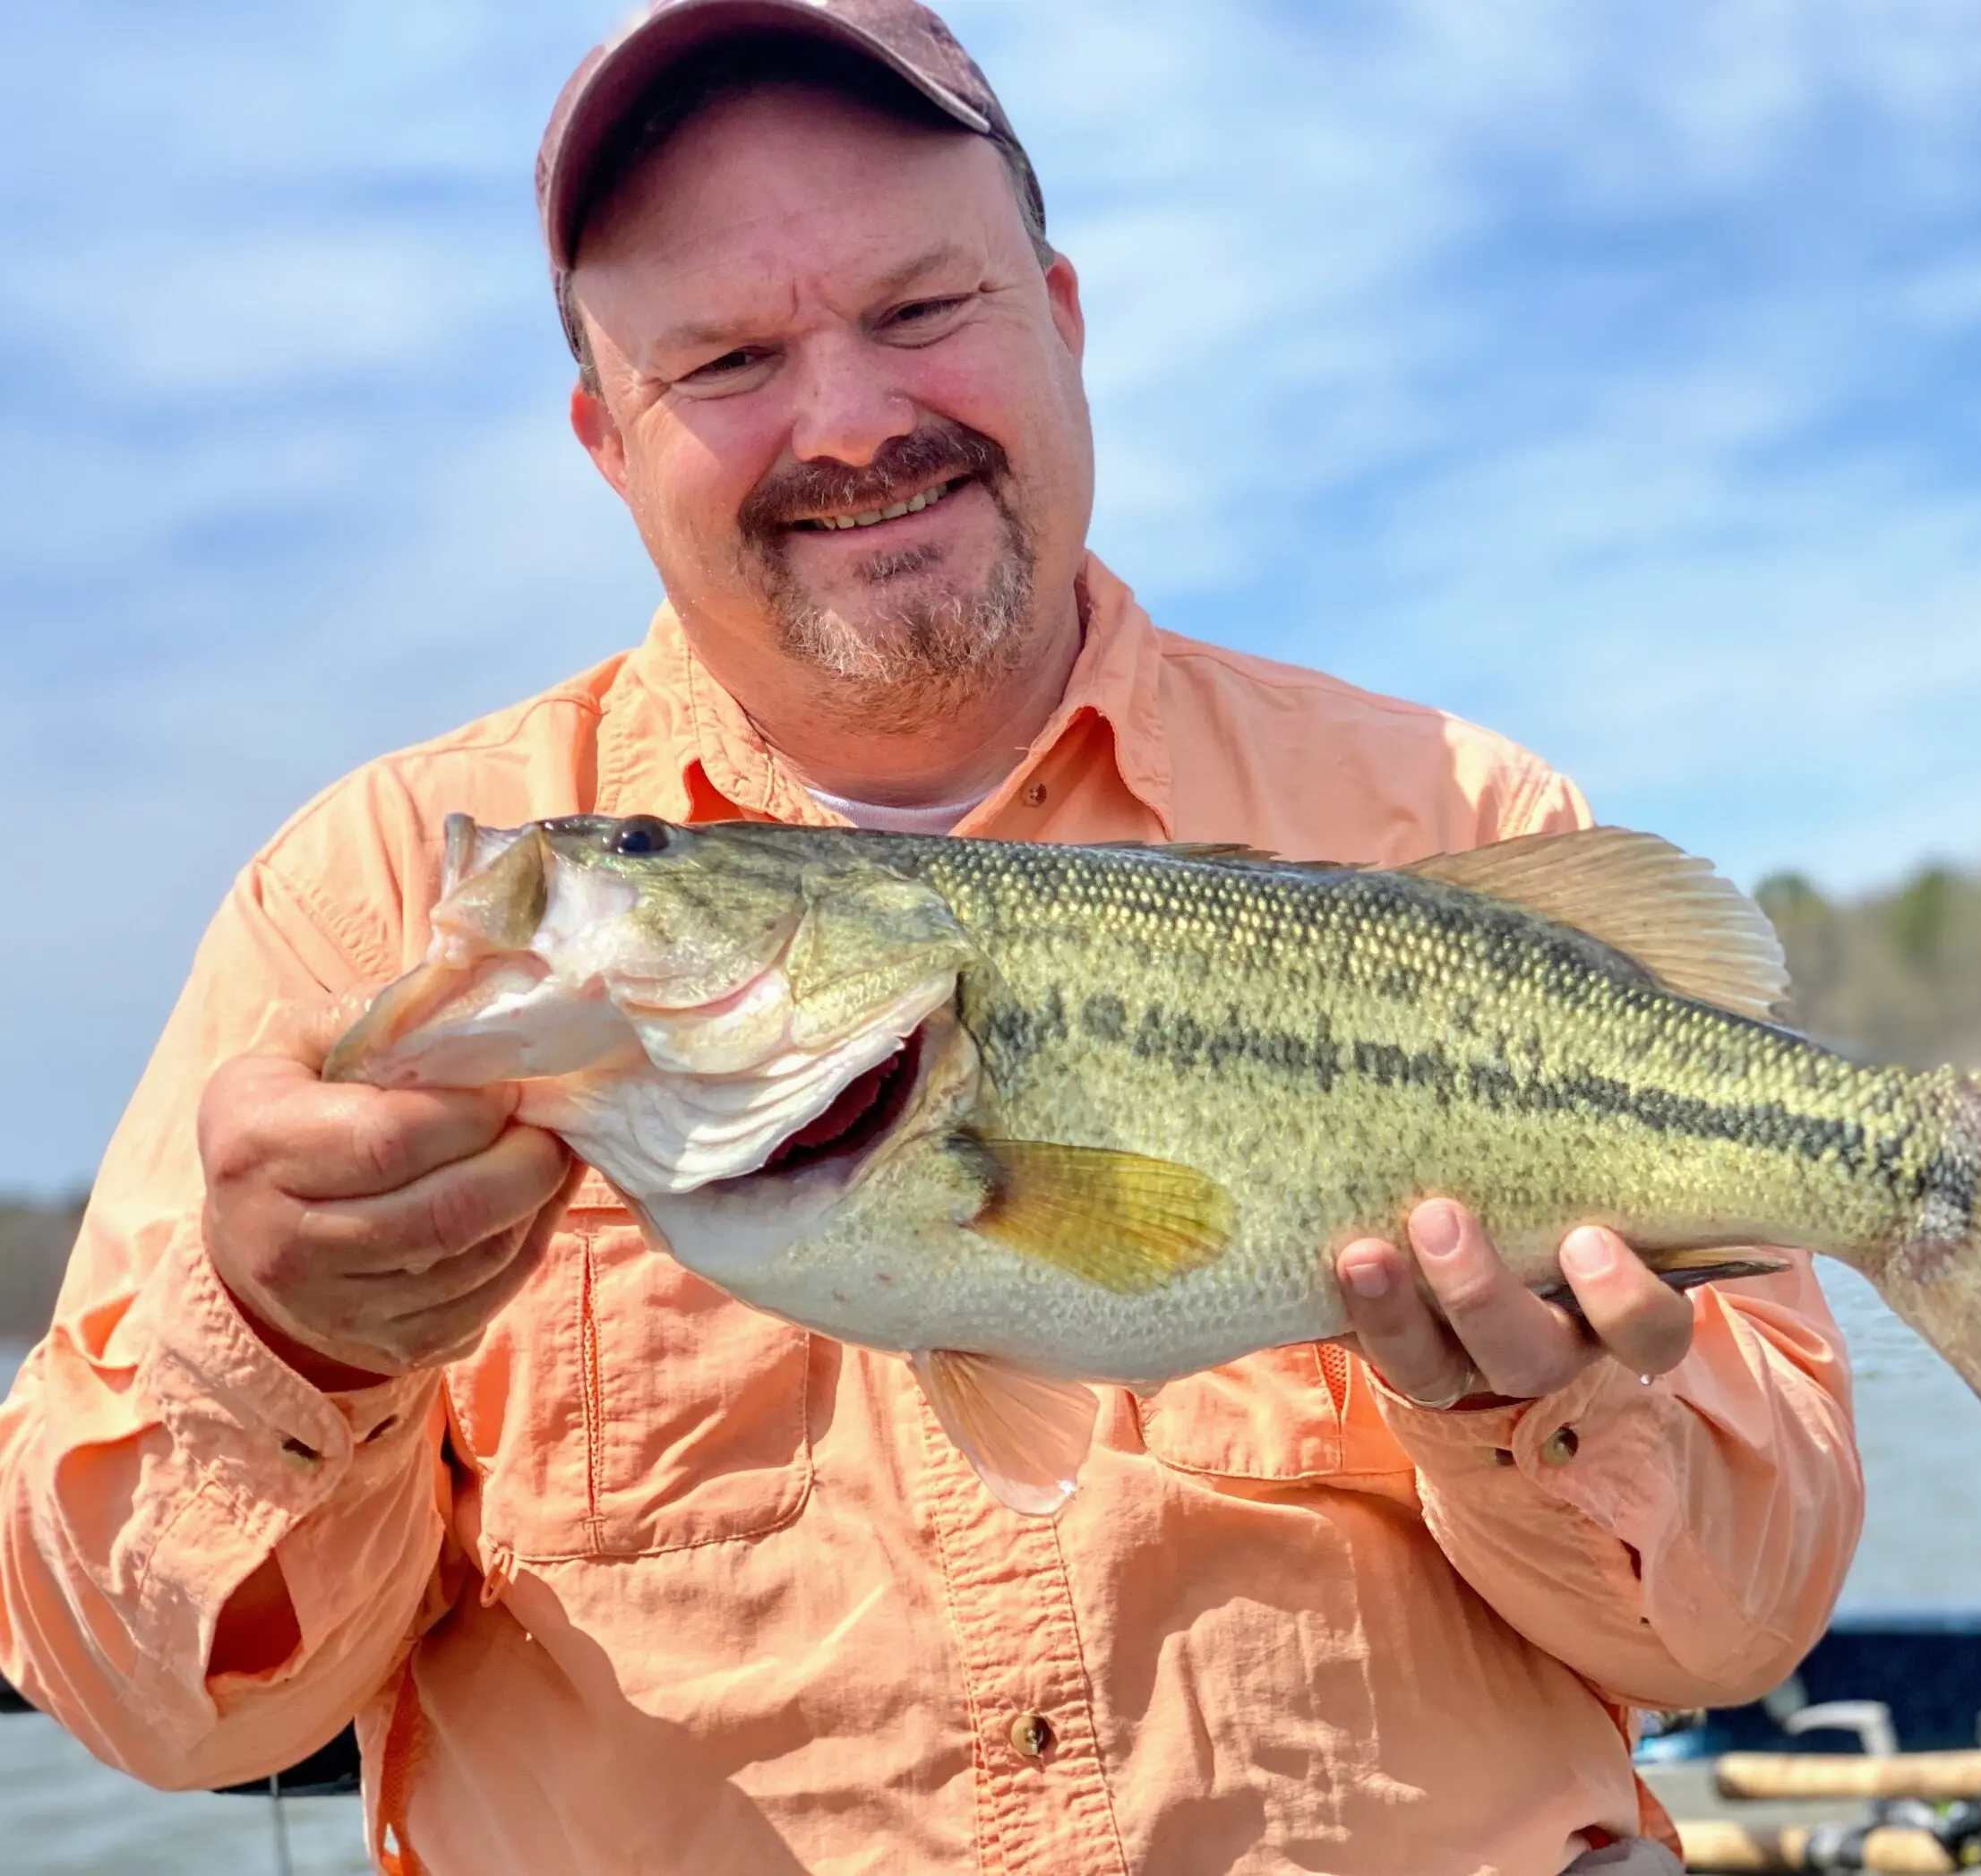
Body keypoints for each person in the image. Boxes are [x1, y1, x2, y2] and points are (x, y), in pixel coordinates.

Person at [0, 4, 1862, 1872]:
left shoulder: (1451, 820)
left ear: (1059, 314)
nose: (853, 420)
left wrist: (1538, 1418)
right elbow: (164, 1714)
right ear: (604, 438)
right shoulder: (365, 907)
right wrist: (280, 1348)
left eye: (920, 309)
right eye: (725, 356)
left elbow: (1729, 1630)